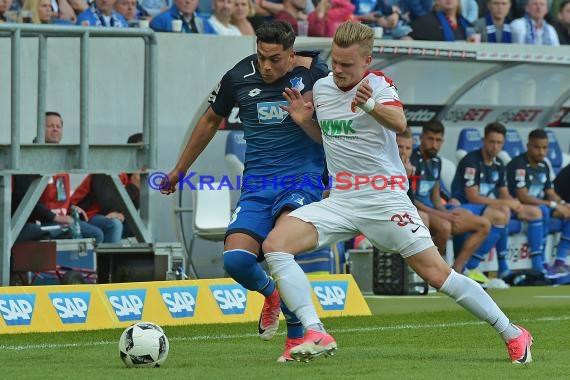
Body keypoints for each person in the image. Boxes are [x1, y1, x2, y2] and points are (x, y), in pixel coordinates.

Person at [264, 20, 533, 364]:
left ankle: (513, 333)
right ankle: (315, 330)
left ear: (367, 61)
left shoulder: (378, 85)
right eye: (336, 62)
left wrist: (371, 106)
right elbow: (331, 139)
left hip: (384, 200)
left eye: (348, 64)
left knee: (439, 276)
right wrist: (304, 123)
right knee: (276, 245)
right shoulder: (322, 89)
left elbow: (400, 123)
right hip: (342, 199)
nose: (340, 70)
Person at [160, 21, 329, 362]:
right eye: (261, 56)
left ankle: (296, 337)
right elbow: (209, 121)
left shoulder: (316, 76)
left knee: (280, 246)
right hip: (257, 184)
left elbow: (332, 131)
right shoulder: (238, 77)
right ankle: (272, 295)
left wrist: (309, 128)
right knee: (236, 260)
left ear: (291, 54)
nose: (267, 66)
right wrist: (180, 169)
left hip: (302, 179)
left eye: (276, 59)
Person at [450, 122, 545, 281]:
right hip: (463, 206)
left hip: (484, 207)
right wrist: (506, 204)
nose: (495, 147)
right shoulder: (471, 161)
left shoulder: (499, 163)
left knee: (535, 212)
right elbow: (473, 197)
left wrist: (515, 203)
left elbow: (504, 193)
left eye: (499, 143)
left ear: (503, 143)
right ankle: (473, 265)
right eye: (491, 142)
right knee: (502, 213)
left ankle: (536, 265)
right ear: (483, 140)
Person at [411, 121, 501, 277]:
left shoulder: (437, 162)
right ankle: (434, 270)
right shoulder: (412, 160)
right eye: (430, 139)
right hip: (418, 211)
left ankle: (458, 269)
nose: (434, 144)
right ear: (422, 138)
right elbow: (412, 199)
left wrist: (447, 211)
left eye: (438, 140)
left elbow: (436, 198)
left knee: (483, 224)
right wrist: (443, 215)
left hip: (435, 212)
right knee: (445, 226)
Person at [12, 112, 105, 243]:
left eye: (58, 126)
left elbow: (58, 195)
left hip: (58, 219)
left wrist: (71, 207)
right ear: (39, 129)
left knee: (99, 233)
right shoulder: (28, 160)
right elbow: (23, 199)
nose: (55, 129)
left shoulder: (61, 160)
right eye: (50, 126)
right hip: (33, 223)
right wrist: (55, 217)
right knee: (90, 234)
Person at [505, 129, 570, 275]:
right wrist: (553, 205)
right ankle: (540, 263)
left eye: (544, 148)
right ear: (528, 146)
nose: (541, 152)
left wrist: (563, 204)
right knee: (543, 210)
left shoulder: (544, 165)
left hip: (540, 206)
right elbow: (523, 197)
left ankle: (560, 261)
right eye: (537, 147)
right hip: (519, 208)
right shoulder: (519, 165)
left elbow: (550, 192)